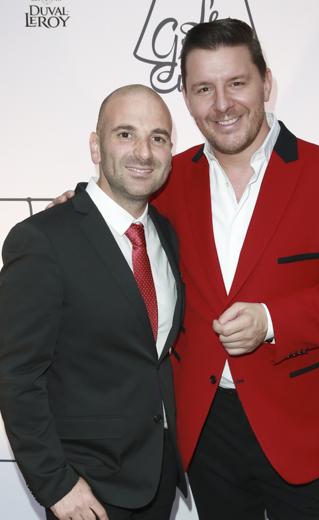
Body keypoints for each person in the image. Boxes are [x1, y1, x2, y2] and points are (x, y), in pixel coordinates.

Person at [47, 19, 319, 520]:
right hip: (202, 432)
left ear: (266, 82)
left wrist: (272, 320)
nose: (222, 104)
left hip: (302, 434)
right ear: (185, 96)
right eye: (203, 88)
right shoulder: (165, 179)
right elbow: (113, 206)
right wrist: (77, 209)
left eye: (237, 83)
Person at [0, 84, 186, 520]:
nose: (143, 151)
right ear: (95, 145)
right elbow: (17, 374)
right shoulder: (43, 239)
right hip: (87, 490)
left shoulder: (167, 234)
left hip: (159, 479)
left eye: (158, 138)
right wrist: (55, 484)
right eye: (126, 134)